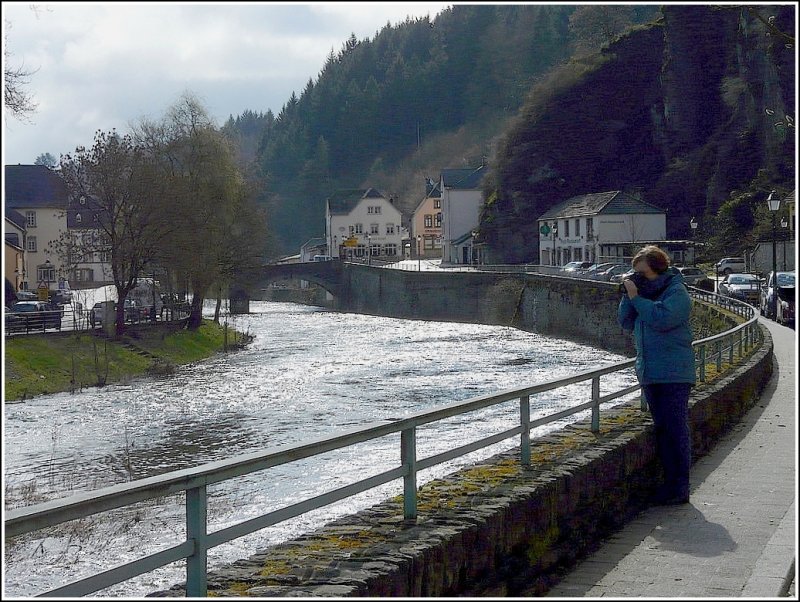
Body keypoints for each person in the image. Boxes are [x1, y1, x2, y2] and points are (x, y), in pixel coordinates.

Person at [617, 245, 696, 505]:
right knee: (662, 431)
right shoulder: (644, 293)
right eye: (634, 273)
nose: (637, 277)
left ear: (657, 269)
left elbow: (662, 320)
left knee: (676, 431)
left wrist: (637, 297)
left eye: (641, 273)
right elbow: (625, 322)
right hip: (651, 372)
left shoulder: (677, 292)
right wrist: (627, 296)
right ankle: (667, 486)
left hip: (675, 373)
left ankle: (680, 488)